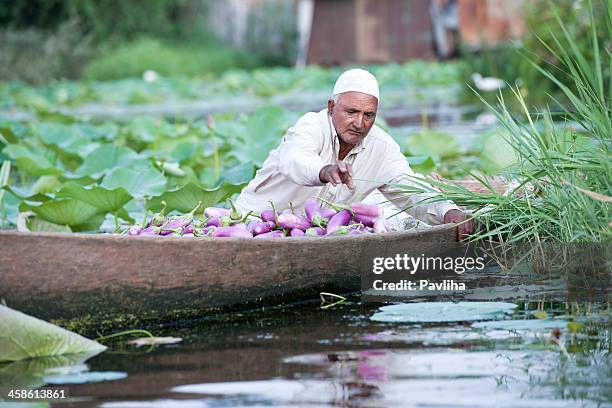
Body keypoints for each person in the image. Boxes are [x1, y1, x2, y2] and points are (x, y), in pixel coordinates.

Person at [235, 69, 473, 240]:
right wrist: (323, 170)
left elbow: (408, 187)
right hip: (252, 227)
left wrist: (448, 212)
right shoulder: (310, 126)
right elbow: (295, 159)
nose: (359, 123)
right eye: (351, 112)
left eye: (368, 115)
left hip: (314, 236)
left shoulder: (381, 146)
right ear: (331, 107)